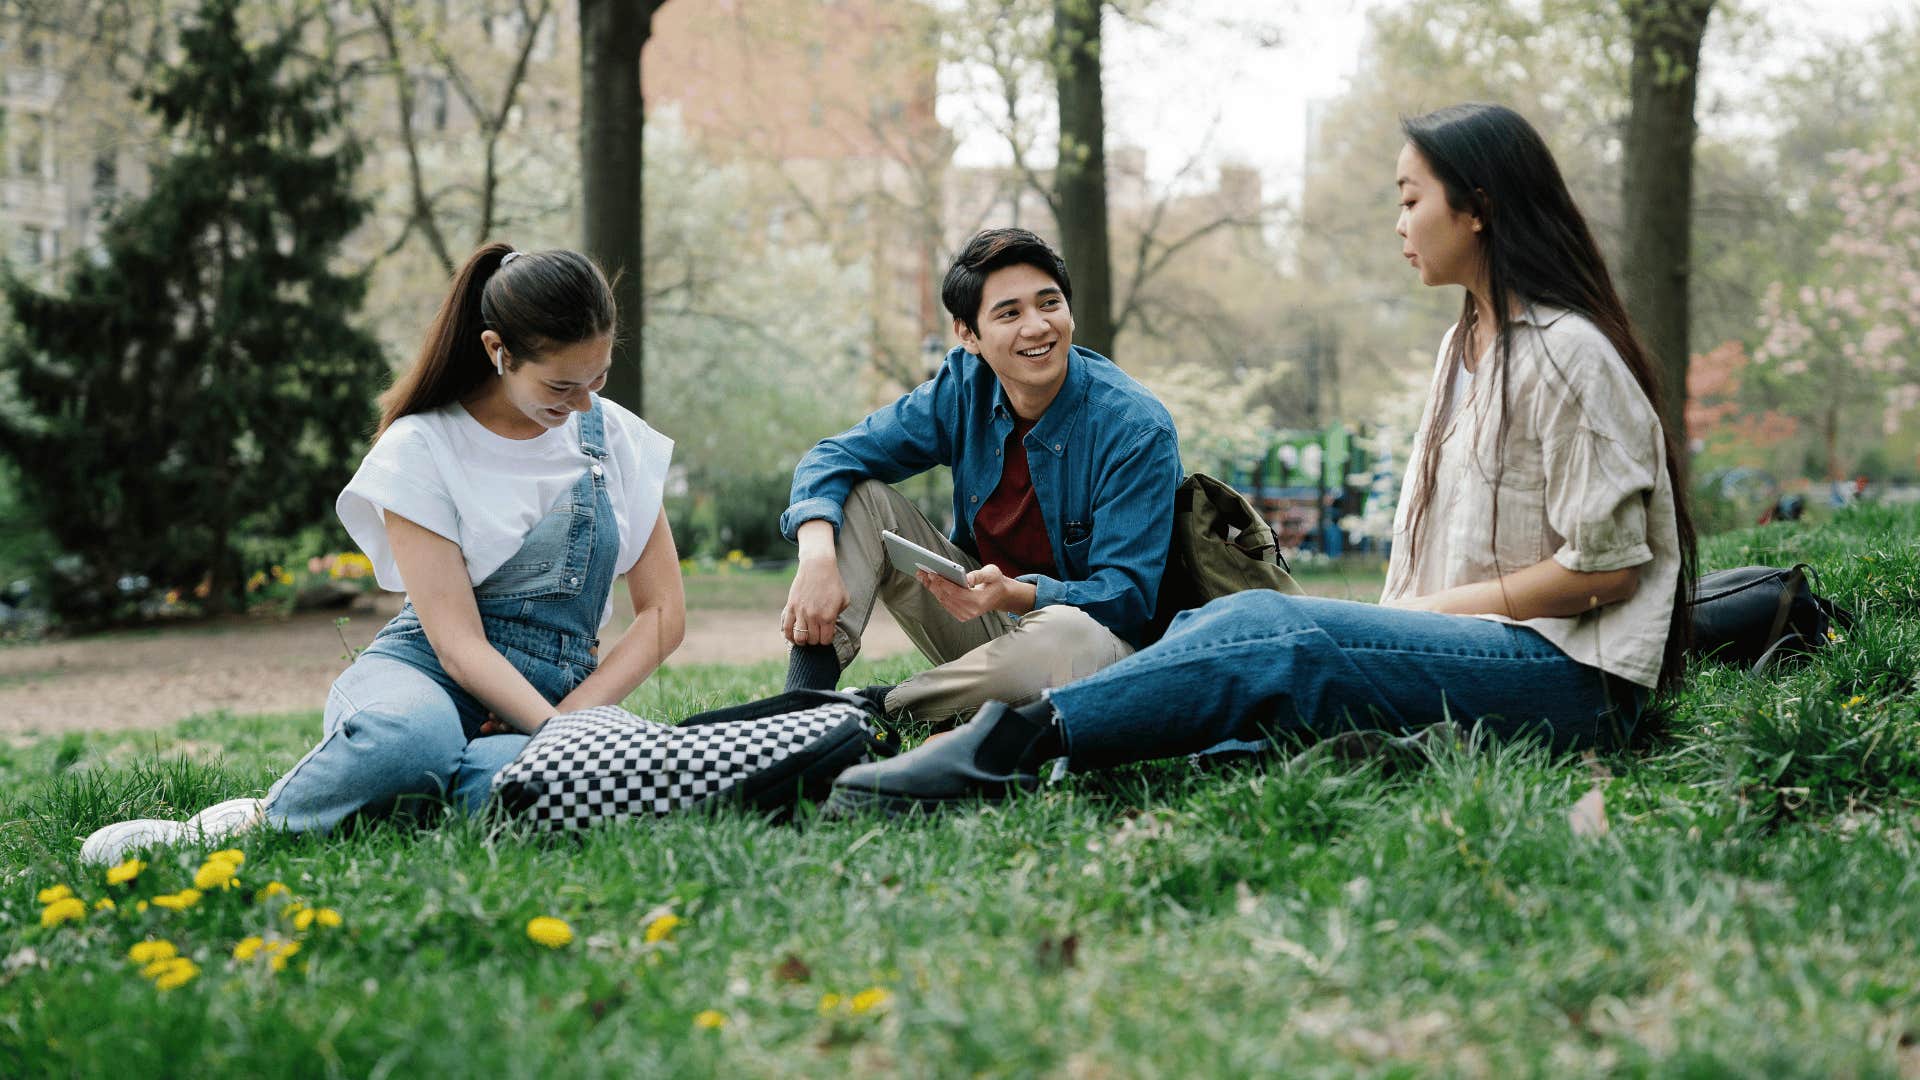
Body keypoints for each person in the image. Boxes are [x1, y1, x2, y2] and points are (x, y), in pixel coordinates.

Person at [828, 103, 1699, 813]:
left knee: (1270, 628)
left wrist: (1432, 612)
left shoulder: (1568, 353)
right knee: (1214, 628)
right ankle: (988, 729)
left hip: (1566, 678)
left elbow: (1607, 573)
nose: (1399, 222)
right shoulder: (1464, 348)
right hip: (1467, 644)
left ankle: (1007, 747)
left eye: (1410, 199)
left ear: (1477, 207)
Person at [82, 244, 684, 862]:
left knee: (526, 783)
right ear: (496, 350)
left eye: (600, 377)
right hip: (426, 676)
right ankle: (250, 824)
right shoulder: (422, 446)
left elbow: (663, 614)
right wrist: (557, 733)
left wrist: (567, 725)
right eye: (561, 384)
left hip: (558, 694)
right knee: (411, 740)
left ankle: (392, 804)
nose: (585, 401)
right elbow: (458, 644)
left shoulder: (614, 437)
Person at [779, 228, 1182, 725]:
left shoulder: (1135, 428)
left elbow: (1128, 600)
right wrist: (815, 557)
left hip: (1094, 647)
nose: (1037, 327)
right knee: (858, 496)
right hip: (983, 619)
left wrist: (1018, 592)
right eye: (1009, 313)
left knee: (1067, 634)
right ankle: (795, 708)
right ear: (969, 335)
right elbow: (834, 456)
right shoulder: (966, 386)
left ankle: (874, 709)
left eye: (1049, 303)